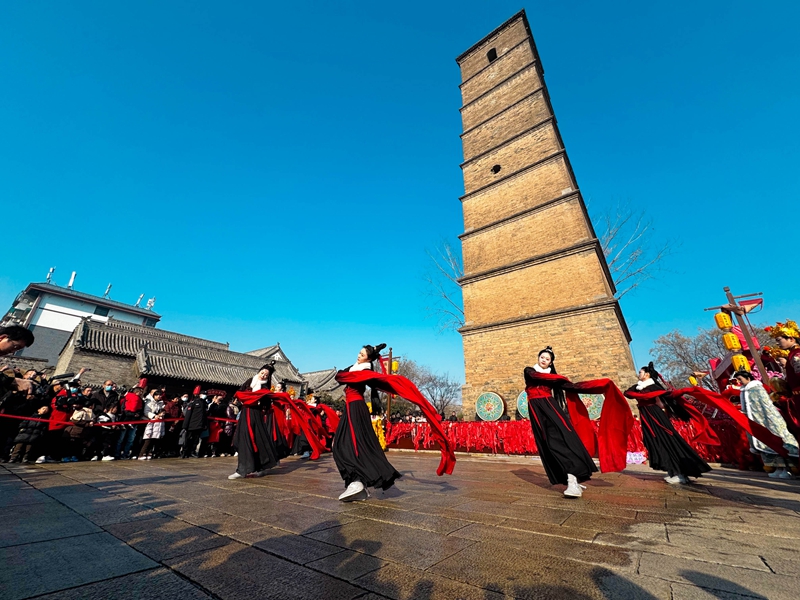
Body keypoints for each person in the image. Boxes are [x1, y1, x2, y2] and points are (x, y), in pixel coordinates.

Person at [332, 343, 456, 502]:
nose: (358, 355)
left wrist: (355, 366)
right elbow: (341, 375)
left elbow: (342, 376)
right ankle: (357, 483)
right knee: (348, 444)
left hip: (355, 408)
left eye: (362, 355)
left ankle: (357, 482)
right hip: (351, 407)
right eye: (359, 353)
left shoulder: (364, 371)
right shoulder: (357, 369)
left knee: (350, 445)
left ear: (368, 359)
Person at [524, 347, 597, 497]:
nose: (543, 360)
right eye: (542, 357)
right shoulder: (530, 371)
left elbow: (570, 387)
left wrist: (594, 386)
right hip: (537, 410)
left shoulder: (553, 377)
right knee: (548, 444)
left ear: (550, 363)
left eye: (547, 359)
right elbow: (537, 377)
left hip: (550, 408)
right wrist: (559, 378)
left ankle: (573, 479)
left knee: (560, 440)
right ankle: (571, 478)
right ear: (538, 358)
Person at [624, 363, 711, 484]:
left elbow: (662, 403)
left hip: (655, 416)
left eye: (641, 372)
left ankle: (680, 472)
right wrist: (643, 395)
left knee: (667, 439)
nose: (639, 374)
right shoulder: (638, 387)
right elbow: (627, 393)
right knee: (654, 441)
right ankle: (672, 470)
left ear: (647, 374)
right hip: (646, 416)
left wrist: (650, 397)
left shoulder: (654, 387)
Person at [734, 370, 799, 479]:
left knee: (778, 443)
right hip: (756, 421)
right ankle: (778, 468)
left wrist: (771, 419)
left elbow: (766, 405)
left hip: (768, 420)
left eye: (740, 379)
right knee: (768, 446)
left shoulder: (757, 388)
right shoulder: (744, 390)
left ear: (748, 378)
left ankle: (787, 469)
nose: (739, 382)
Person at [229, 363, 281, 479]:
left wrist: (260, 403)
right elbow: (239, 392)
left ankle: (258, 466)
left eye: (266, 375)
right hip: (245, 412)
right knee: (242, 438)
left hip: (255, 414)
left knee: (257, 439)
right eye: (262, 372)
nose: (263, 376)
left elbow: (267, 405)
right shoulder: (250, 381)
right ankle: (243, 469)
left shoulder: (265, 388)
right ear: (259, 371)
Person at [116, 386, 144, 459]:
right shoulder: (128, 398)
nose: (141, 393)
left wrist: (137, 414)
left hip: (134, 421)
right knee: (121, 438)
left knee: (130, 439)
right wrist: (133, 414)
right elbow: (123, 409)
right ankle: (117, 453)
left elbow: (141, 410)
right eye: (140, 391)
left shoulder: (140, 400)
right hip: (125, 420)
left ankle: (126, 453)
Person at [182, 390, 208, 458]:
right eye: (203, 394)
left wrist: (204, 425)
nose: (204, 395)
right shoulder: (194, 403)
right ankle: (184, 452)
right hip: (191, 425)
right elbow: (188, 415)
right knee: (188, 439)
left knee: (195, 440)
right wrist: (185, 425)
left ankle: (192, 452)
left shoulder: (204, 404)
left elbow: (204, 416)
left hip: (199, 425)